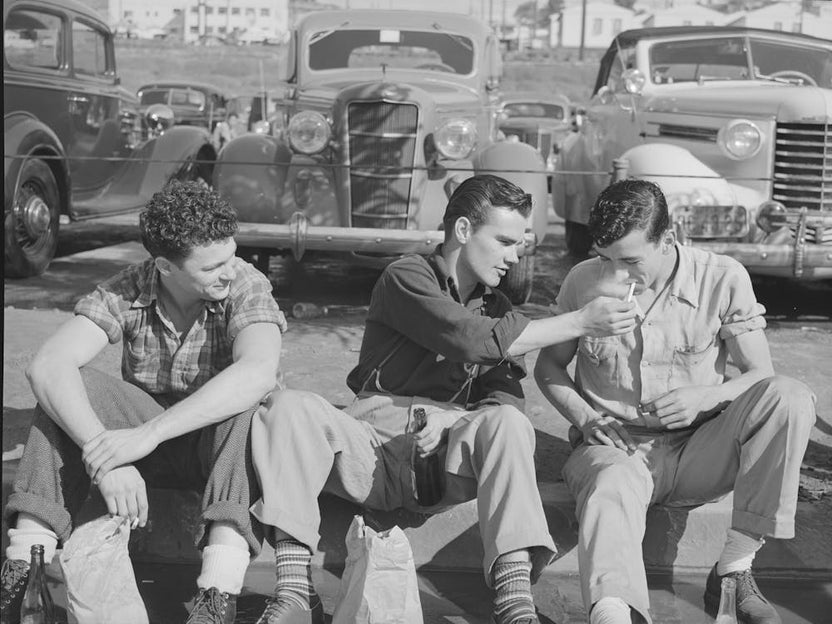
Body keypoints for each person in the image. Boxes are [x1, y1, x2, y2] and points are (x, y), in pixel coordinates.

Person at [247, 174, 638, 624]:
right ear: (465, 231)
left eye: (520, 246)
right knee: (289, 405)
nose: (515, 258)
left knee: (511, 423)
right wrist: (581, 321)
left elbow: (505, 401)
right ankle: (294, 595)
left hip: (440, 465)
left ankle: (515, 605)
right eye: (506, 242)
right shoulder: (407, 275)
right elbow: (466, 338)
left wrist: (450, 423)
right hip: (368, 447)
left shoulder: (501, 313)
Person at [0, 181, 286, 624]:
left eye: (231, 255)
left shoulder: (246, 284)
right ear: (165, 267)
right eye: (213, 267)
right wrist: (106, 455)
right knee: (68, 387)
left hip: (217, 451)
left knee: (250, 405)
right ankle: (22, 572)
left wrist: (146, 435)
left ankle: (217, 595)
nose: (229, 271)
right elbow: (46, 366)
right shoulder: (128, 288)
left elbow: (259, 370)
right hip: (142, 447)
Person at [534, 179, 816, 624]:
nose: (616, 275)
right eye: (605, 259)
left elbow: (762, 375)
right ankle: (612, 612)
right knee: (609, 485)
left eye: (630, 260)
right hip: (615, 448)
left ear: (668, 239)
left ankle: (734, 569)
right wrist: (587, 419)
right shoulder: (582, 281)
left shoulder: (722, 277)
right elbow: (548, 368)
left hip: (701, 448)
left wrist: (709, 396)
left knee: (790, 396)